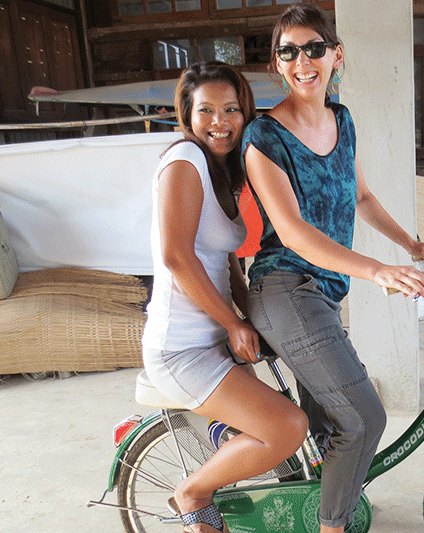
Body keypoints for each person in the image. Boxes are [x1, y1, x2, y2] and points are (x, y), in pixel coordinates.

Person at [242, 6, 424, 533]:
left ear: (335, 55)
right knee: (366, 417)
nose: (302, 61)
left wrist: (411, 244)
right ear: (277, 64)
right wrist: (377, 270)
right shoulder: (264, 137)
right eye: (288, 51)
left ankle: (319, 508)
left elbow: (363, 197)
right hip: (283, 287)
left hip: (322, 293)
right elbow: (294, 233)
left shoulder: (341, 119)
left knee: (334, 424)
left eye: (313, 48)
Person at [141, 61, 308, 533]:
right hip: (182, 348)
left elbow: (226, 258)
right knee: (288, 427)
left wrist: (251, 309)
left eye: (232, 109)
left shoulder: (223, 170)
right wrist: (235, 323)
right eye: (207, 110)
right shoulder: (184, 162)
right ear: (188, 115)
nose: (221, 121)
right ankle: (193, 491)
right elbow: (176, 257)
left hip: (211, 339)